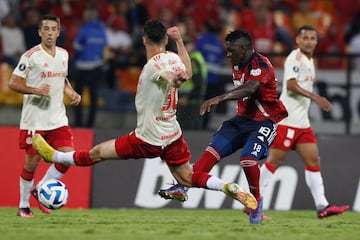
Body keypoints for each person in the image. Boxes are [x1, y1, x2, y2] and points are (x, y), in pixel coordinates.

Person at [32, 19, 258, 213]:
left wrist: (173, 79)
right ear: (166, 40)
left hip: (147, 139)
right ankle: (228, 186)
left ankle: (56, 157)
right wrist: (180, 43)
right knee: (187, 178)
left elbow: (166, 75)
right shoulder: (173, 57)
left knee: (97, 153)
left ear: (144, 40)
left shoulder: (154, 65)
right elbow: (186, 72)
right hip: (172, 135)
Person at [158, 29, 288, 224]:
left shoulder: (261, 64)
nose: (228, 54)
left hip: (264, 123)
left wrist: (220, 97)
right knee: (211, 152)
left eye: (231, 50)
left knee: (247, 159)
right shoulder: (238, 63)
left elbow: (251, 88)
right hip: (240, 121)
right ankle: (182, 187)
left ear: (244, 49)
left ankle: (256, 206)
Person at [259, 25, 349, 219]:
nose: (309, 41)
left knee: (313, 160)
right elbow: (291, 85)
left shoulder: (310, 60)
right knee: (274, 161)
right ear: (298, 40)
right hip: (287, 121)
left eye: (312, 38)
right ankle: (253, 203)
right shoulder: (295, 57)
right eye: (305, 38)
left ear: (317, 41)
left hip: (302, 123)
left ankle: (322, 206)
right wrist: (317, 98)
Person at [8, 14, 81, 218]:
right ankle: (23, 206)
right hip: (35, 120)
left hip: (58, 119)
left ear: (58, 32)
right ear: (40, 32)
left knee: (67, 157)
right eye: (46, 29)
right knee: (31, 164)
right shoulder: (31, 56)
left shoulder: (64, 55)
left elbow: (62, 79)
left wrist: (71, 93)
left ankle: (40, 189)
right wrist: (35, 90)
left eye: (53, 29)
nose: (49, 33)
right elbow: (13, 83)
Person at [73, 7, 107, 128]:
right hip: (97, 67)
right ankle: (90, 124)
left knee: (77, 96)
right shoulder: (102, 30)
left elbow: (76, 46)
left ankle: (78, 123)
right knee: (94, 97)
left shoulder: (84, 29)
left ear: (87, 16)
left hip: (83, 66)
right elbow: (104, 47)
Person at [177, 37, 207, 129]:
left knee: (190, 131)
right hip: (188, 100)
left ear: (191, 46)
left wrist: (187, 98)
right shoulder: (191, 58)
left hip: (191, 102)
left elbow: (198, 82)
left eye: (186, 45)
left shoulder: (193, 59)